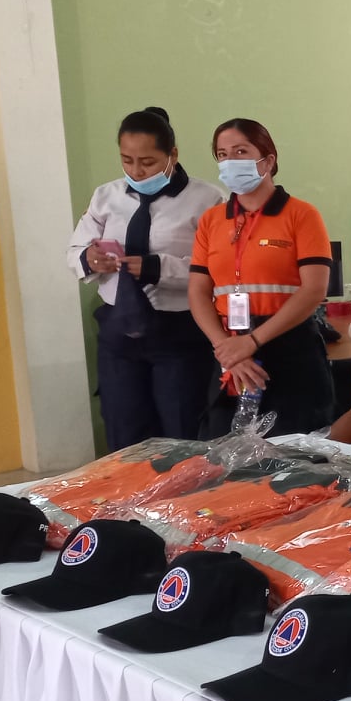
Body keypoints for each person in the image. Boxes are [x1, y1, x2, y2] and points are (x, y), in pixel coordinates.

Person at [67, 107, 226, 450]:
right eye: (127, 160)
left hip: (179, 332)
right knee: (124, 431)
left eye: (148, 162)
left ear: (173, 155)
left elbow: (218, 268)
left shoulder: (207, 200)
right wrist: (88, 258)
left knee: (182, 430)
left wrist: (157, 267)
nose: (136, 171)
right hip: (119, 331)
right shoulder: (106, 196)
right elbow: (75, 249)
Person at [188, 118, 335, 436]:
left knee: (291, 455)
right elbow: (198, 292)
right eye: (222, 154)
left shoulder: (301, 215)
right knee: (223, 453)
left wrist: (252, 342)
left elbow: (314, 289)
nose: (230, 161)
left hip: (289, 347)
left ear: (268, 161)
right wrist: (228, 349)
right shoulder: (212, 220)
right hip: (229, 347)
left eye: (241, 151)